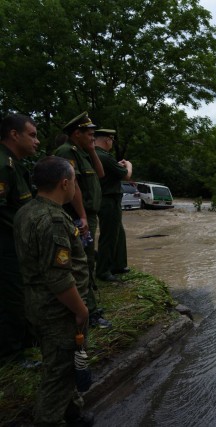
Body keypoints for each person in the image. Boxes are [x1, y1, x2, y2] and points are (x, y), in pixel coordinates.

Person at [13, 156, 94, 426]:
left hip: (38, 304)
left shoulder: (27, 210)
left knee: (64, 362)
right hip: (58, 310)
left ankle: (71, 412)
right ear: (64, 183)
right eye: (74, 181)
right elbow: (59, 278)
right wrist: (81, 310)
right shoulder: (53, 221)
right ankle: (49, 420)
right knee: (59, 371)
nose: (75, 187)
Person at [54, 112, 111, 329]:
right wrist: (83, 216)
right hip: (79, 216)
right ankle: (90, 312)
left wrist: (91, 150)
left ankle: (90, 306)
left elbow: (101, 173)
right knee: (83, 262)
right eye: (90, 134)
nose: (93, 137)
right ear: (76, 133)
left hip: (88, 215)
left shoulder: (83, 152)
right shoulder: (66, 152)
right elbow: (73, 185)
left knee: (87, 260)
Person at [0, 114, 39, 360]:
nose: (37, 141)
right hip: (5, 245)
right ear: (15, 134)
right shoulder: (4, 165)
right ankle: (10, 353)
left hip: (16, 243)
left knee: (21, 292)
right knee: (10, 296)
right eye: (32, 135)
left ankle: (24, 341)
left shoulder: (16, 164)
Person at [94, 129, 132, 281]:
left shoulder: (96, 155)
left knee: (118, 232)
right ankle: (103, 270)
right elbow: (126, 175)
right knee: (109, 235)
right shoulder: (103, 155)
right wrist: (128, 165)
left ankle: (118, 264)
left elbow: (109, 171)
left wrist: (116, 165)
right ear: (107, 140)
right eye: (111, 140)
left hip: (107, 198)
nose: (112, 143)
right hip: (108, 199)